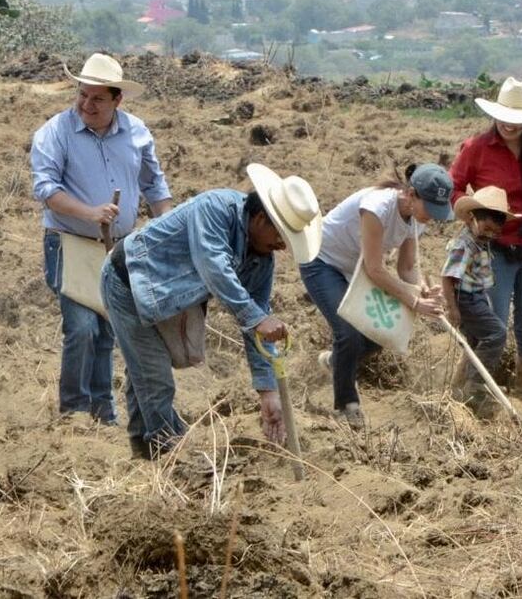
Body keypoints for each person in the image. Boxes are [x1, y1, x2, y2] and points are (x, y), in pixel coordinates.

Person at [100, 164, 323, 460]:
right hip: (127, 280)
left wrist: (267, 392)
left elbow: (258, 318)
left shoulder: (261, 260)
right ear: (260, 219)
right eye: (280, 237)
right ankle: (173, 454)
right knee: (155, 378)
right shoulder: (215, 209)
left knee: (144, 373)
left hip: (167, 297)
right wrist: (256, 318)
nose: (281, 247)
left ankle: (143, 454)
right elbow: (213, 266)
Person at [31, 53, 173, 426]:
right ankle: (74, 410)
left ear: (117, 101)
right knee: (81, 327)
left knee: (108, 329)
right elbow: (46, 189)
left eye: (97, 99)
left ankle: (102, 410)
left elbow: (154, 184)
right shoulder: (55, 132)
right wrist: (90, 213)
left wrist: (168, 229)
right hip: (69, 241)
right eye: (82, 95)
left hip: (117, 247)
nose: (86, 105)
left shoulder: (137, 133)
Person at [300, 164, 454, 428]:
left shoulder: (417, 220)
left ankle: (335, 362)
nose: (432, 216)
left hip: (355, 270)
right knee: (347, 333)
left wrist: (422, 289)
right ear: (411, 194)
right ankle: (347, 406)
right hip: (322, 260)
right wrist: (414, 302)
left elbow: (406, 269)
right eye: (429, 207)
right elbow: (375, 269)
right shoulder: (377, 208)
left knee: (378, 334)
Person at [449, 77, 522, 402]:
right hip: (494, 250)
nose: (508, 125)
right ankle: (465, 392)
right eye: (503, 117)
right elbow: (454, 188)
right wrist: (471, 216)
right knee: (493, 324)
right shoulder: (476, 149)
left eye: (516, 120)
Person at [441, 186, 519, 418]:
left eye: (495, 233)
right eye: (486, 229)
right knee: (496, 334)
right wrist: (452, 308)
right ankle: (475, 386)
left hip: (477, 297)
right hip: (465, 300)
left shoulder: (480, 241)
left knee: (476, 344)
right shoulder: (463, 245)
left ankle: (459, 390)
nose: (489, 235)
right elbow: (447, 277)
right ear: (472, 218)